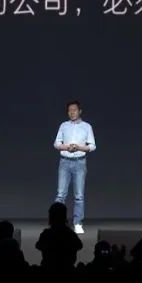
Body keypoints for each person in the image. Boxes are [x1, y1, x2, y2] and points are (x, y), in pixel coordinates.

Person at [53, 100, 96, 234]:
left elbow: (92, 146)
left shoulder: (87, 127)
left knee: (79, 195)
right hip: (65, 161)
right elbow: (56, 143)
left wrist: (79, 147)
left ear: (80, 111)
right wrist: (66, 147)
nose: (72, 112)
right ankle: (57, 223)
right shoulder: (63, 125)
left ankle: (78, 223)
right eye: (69, 110)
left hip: (79, 162)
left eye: (74, 110)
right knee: (60, 194)